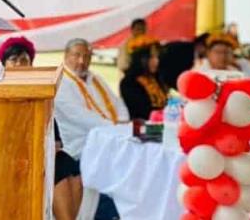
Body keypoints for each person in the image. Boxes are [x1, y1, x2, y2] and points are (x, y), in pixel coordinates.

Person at [54, 38, 129, 220]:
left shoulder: (95, 78)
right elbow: (79, 116)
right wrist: (115, 128)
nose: (82, 61)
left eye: (86, 56)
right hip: (80, 145)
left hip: (109, 136)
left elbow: (118, 105)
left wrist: (123, 123)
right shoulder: (61, 82)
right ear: (66, 56)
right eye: (77, 55)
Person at [119, 37, 167, 120]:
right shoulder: (129, 82)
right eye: (151, 57)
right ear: (140, 58)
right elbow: (143, 112)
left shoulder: (155, 78)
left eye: (157, 57)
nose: (156, 61)